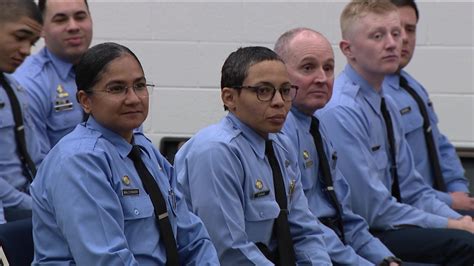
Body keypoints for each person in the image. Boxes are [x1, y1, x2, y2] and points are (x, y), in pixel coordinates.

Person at [30, 42, 219, 265]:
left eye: (139, 86)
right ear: (85, 101)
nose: (134, 98)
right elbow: (107, 260)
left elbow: (193, 237)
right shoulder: (80, 161)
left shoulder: (143, 149)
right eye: (117, 89)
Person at [317, 0, 474, 264]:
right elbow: (373, 210)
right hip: (362, 233)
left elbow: (413, 189)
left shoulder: (386, 101)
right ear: (348, 49)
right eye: (377, 36)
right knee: (465, 244)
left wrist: (460, 219)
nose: (393, 44)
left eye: (397, 33)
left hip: (392, 220)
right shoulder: (341, 109)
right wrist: (450, 224)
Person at [174, 46, 331, 265]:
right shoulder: (216, 151)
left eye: (285, 90)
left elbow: (305, 231)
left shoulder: (280, 144)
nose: (279, 102)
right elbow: (229, 250)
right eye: (264, 91)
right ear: (229, 97)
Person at [275, 27, 400, 266]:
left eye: (329, 68)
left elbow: (347, 216)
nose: (322, 78)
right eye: (308, 67)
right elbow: (306, 228)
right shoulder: (281, 133)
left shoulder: (317, 127)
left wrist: (385, 259)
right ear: (281, 75)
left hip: (343, 248)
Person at [384, 0, 474, 215]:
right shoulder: (376, 98)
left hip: (440, 202)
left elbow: (439, 143)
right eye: (396, 30)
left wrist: (458, 191)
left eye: (410, 29)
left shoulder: (412, 86)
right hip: (411, 210)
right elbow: (392, 181)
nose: (404, 38)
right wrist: (448, 201)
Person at [13, 0, 93, 157]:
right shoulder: (27, 84)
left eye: (80, 17)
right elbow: (38, 167)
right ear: (41, 28)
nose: (73, 27)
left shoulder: (109, 72)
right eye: (61, 19)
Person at [0, 0, 43, 223]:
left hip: (27, 213)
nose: (26, 50)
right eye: (19, 37)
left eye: (32, 42)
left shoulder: (14, 89)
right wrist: (42, 208)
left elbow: (35, 158)